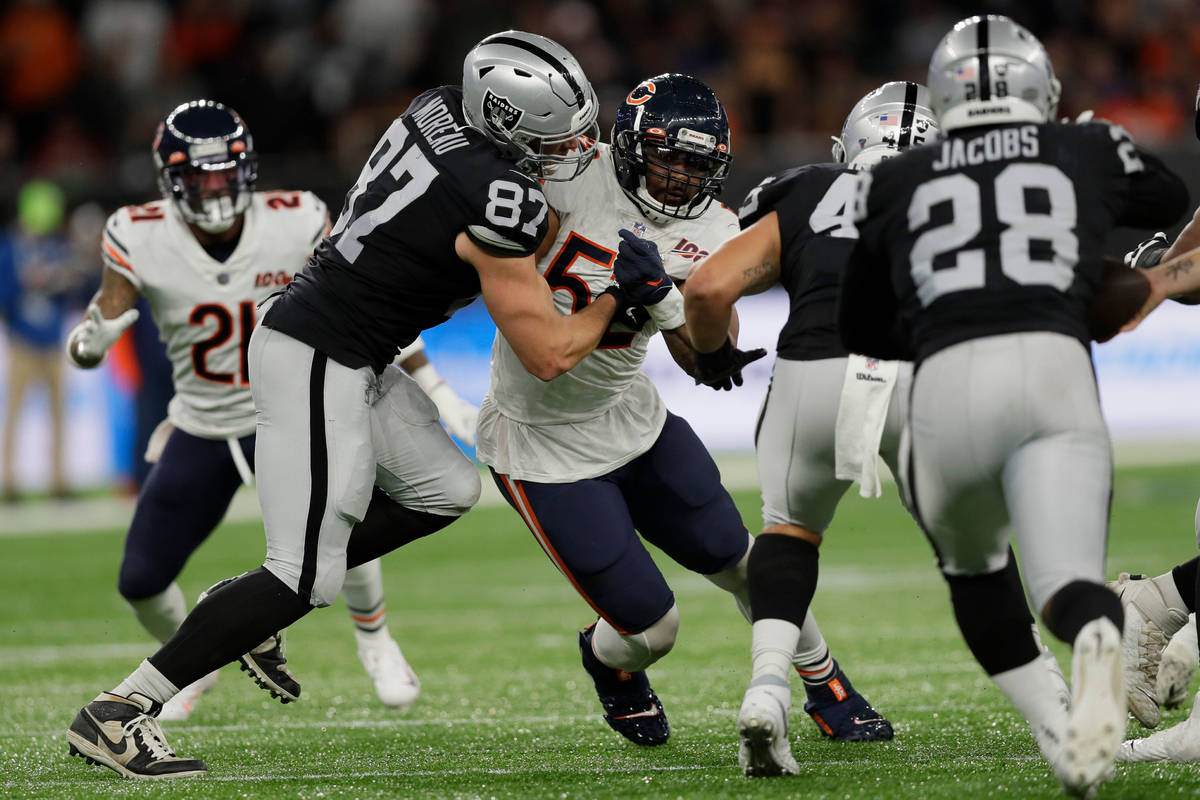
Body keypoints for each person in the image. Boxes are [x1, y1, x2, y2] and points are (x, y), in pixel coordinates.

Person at [67, 30, 617, 779]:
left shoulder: (437, 107)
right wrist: (622, 298)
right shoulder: (495, 194)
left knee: (446, 489)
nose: (575, 149)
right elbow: (548, 353)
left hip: (350, 341)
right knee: (303, 578)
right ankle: (120, 710)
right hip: (318, 351)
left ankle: (249, 604)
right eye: (557, 136)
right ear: (504, 120)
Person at [475, 72, 888, 750]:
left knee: (746, 563)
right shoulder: (565, 173)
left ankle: (826, 680)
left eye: (696, 164)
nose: (677, 177)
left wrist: (671, 303)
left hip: (632, 419)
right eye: (666, 156)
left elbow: (708, 361)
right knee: (649, 630)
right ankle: (608, 661)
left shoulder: (719, 228)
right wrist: (625, 296)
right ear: (629, 144)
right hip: (540, 442)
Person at [838, 14, 1189, 797]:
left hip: (949, 378)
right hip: (1056, 364)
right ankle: (1099, 634)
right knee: (1066, 582)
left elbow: (858, 324)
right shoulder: (1084, 147)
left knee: (974, 571)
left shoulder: (895, 177)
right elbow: (1168, 197)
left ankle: (1059, 733)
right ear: (1042, 90)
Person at [64, 100, 479, 720]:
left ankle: (376, 641)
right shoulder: (136, 231)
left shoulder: (297, 218)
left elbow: (368, 307)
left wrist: (440, 392)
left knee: (340, 521)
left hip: (295, 400)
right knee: (141, 578)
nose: (214, 188)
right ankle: (198, 658)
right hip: (204, 422)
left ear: (248, 169)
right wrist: (88, 343)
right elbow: (97, 326)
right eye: (199, 177)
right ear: (169, 179)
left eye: (224, 173)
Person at [683, 81, 940, 776]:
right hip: (922, 373)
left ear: (849, 145)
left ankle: (770, 690)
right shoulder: (960, 194)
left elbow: (705, 289)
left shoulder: (807, 187)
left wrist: (710, 356)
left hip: (813, 366)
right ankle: (1058, 699)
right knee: (977, 546)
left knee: (787, 531)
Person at [0, 179, 84, 502]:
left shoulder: (56, 247)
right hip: (22, 341)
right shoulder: (10, 248)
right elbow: (5, 294)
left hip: (52, 342)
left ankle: (58, 481)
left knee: (59, 415)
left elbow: (75, 290)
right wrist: (26, 285)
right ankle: (9, 482)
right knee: (15, 414)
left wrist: (65, 282)